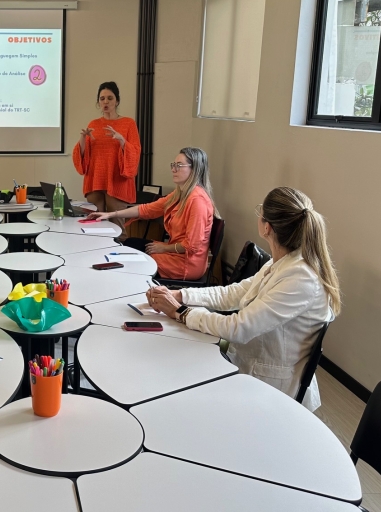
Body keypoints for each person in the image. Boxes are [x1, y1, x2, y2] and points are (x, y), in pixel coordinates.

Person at [146, 187, 341, 412]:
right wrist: (180, 295)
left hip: (271, 391)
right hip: (249, 364)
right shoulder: (282, 263)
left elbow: (239, 328)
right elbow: (233, 293)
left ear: (266, 227)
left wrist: (181, 312)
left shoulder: (301, 278)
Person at [88, 147, 218, 281]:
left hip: (185, 264)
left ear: (195, 169)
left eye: (179, 165)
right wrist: (111, 214)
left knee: (129, 262)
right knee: (130, 243)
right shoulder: (180, 193)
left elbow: (192, 246)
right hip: (174, 253)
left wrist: (164, 248)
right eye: (173, 165)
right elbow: (147, 209)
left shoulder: (197, 201)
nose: (173, 169)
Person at [73, 81, 141, 234]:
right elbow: (83, 156)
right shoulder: (94, 124)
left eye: (110, 98)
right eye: (102, 98)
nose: (105, 102)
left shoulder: (128, 123)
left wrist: (122, 141)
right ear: (98, 102)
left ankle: (118, 258)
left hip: (117, 182)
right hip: (95, 181)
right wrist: (83, 140)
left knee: (116, 228)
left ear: (117, 101)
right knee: (94, 225)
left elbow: (135, 152)